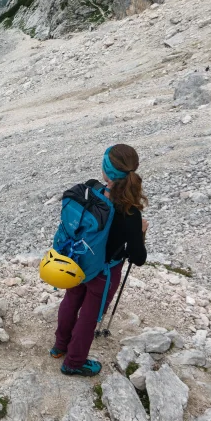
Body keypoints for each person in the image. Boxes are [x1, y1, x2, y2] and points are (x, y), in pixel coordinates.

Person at [51, 144, 148, 376]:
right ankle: (74, 363)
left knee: (71, 300)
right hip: (104, 272)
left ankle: (59, 347)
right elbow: (138, 257)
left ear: (106, 172)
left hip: (77, 261)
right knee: (89, 316)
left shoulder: (91, 189)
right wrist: (141, 234)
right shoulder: (131, 213)